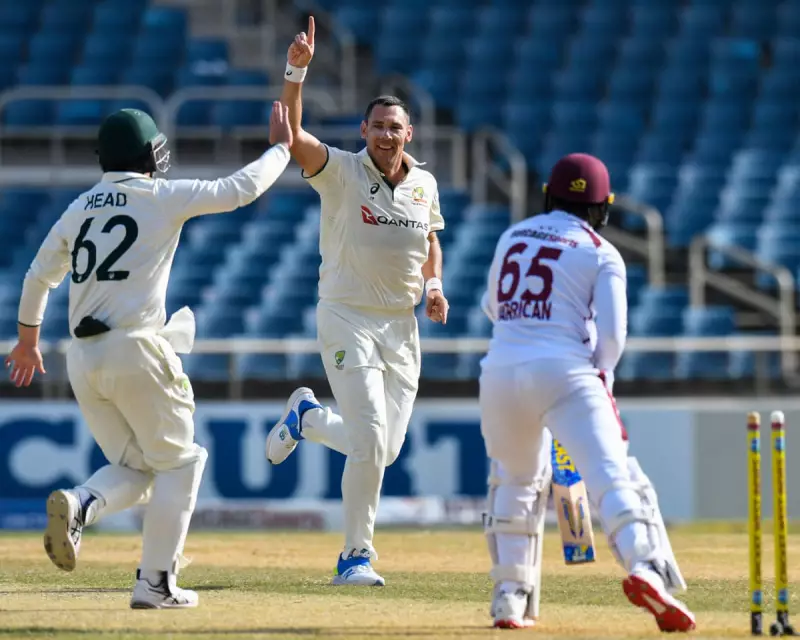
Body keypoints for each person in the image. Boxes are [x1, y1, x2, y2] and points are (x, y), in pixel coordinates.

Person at [4, 103, 293, 608]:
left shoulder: (80, 206)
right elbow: (241, 188)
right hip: (136, 348)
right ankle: (155, 583)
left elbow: (36, 278)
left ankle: (80, 503)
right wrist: (283, 149)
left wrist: (27, 341)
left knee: (138, 469)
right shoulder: (160, 196)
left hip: (83, 359)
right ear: (149, 153)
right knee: (184, 462)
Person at [264, 16, 449, 586]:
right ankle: (354, 557)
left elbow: (430, 241)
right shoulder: (342, 171)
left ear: (409, 133)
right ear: (364, 131)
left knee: (383, 451)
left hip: (401, 327)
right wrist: (296, 70)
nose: (386, 136)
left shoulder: (426, 184)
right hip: (347, 317)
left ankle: (309, 419)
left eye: (396, 127)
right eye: (377, 128)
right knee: (369, 439)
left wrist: (435, 287)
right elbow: (293, 135)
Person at [478, 153, 695, 631]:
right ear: (603, 207)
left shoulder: (513, 235)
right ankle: (647, 567)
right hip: (568, 371)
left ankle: (510, 596)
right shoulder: (601, 251)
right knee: (612, 477)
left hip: (499, 372)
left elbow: (494, 306)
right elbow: (614, 337)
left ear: (547, 196)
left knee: (513, 482)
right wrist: (597, 381)